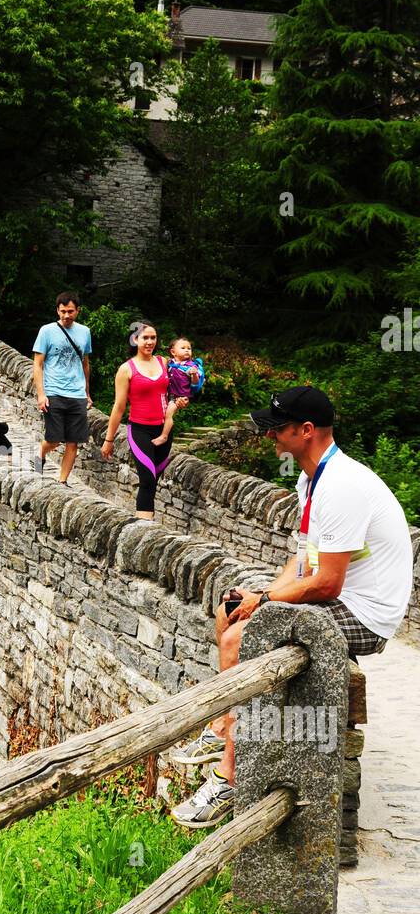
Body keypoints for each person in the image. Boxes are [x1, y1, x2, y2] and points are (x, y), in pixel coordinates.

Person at [170, 386, 414, 828]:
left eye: (278, 427)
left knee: (245, 637)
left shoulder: (341, 487)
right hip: (342, 598)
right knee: (230, 615)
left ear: (306, 431)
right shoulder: (312, 478)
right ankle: (227, 726)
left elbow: (326, 582)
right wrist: (258, 597)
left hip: (365, 615)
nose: (270, 436)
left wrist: (263, 603)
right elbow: (303, 560)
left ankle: (231, 776)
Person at [100, 320, 188, 518]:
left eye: (153, 338)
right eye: (145, 338)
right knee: (147, 479)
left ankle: (147, 522)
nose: (150, 342)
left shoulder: (164, 362)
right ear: (135, 339)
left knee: (154, 479)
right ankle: (144, 526)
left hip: (164, 429)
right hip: (140, 430)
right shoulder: (126, 369)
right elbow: (119, 407)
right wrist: (109, 439)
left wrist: (181, 401)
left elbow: (178, 390)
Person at [32, 293, 93, 484]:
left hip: (77, 394)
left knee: (73, 441)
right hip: (54, 391)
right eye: (63, 311)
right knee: (54, 440)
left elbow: (85, 363)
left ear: (78, 311)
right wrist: (41, 394)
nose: (67, 315)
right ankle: (39, 454)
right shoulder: (46, 331)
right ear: (57, 310)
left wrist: (87, 393)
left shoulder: (85, 332)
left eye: (71, 311)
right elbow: (38, 364)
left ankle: (62, 481)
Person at [152, 336, 205, 446]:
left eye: (189, 348)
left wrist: (194, 374)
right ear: (173, 352)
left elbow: (195, 383)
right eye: (183, 348)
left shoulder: (191, 366)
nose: (187, 350)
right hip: (168, 394)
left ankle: (164, 436)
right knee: (161, 414)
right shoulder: (171, 363)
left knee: (168, 414)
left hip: (180, 397)